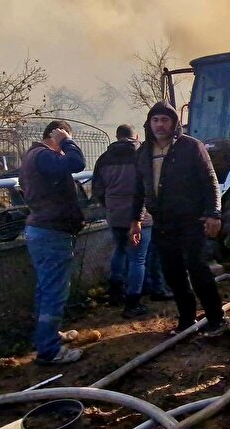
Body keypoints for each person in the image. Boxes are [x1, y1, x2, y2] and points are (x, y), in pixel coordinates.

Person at [131, 101, 228, 337]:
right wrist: (135, 219)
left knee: (198, 269)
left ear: (174, 123)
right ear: (149, 123)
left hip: (191, 220)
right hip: (163, 223)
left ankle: (216, 318)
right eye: (155, 120)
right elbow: (138, 189)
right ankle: (186, 320)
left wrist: (214, 214)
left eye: (165, 120)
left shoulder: (191, 147)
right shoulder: (143, 152)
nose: (160, 125)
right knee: (172, 273)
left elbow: (210, 181)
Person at [19, 120, 88, 365]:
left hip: (43, 230)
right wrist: (65, 140)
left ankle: (47, 335)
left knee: (46, 288)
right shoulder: (43, 155)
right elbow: (77, 163)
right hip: (51, 232)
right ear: (55, 135)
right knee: (54, 292)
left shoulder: (33, 157)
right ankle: (49, 350)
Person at [91, 124, 155, 317]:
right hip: (140, 215)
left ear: (117, 137)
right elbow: (149, 186)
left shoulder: (103, 158)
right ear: (135, 136)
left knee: (119, 250)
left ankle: (115, 291)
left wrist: (109, 205)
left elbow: (97, 189)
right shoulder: (142, 154)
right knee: (138, 258)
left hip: (115, 214)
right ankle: (133, 301)